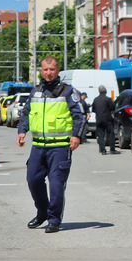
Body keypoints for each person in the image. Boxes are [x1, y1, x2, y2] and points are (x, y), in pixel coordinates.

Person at [17, 56, 87, 233]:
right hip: (38, 146)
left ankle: (54, 220)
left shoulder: (68, 91)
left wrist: (76, 136)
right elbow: (26, 113)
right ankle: (42, 213)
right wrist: (21, 131)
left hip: (60, 147)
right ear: (41, 70)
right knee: (33, 179)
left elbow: (80, 114)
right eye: (45, 70)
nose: (48, 73)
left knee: (56, 184)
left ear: (58, 71)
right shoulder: (36, 91)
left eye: (52, 70)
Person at [92, 85, 118, 155]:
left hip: (99, 119)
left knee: (100, 135)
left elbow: (93, 109)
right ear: (105, 91)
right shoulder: (108, 99)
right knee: (110, 134)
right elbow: (112, 107)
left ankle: (102, 149)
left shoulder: (96, 99)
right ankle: (112, 149)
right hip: (107, 119)